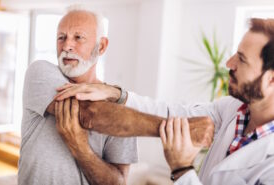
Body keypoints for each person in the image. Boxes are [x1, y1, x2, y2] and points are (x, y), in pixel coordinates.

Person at [54, 18, 274, 185]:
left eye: (242, 60)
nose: (229, 63)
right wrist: (115, 93)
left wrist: (182, 169)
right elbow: (169, 112)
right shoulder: (232, 110)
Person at [18, 7, 138, 185]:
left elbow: (118, 182)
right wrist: (149, 123)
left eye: (78, 37)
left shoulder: (122, 106)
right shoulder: (40, 72)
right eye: (61, 37)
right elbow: (88, 113)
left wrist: (81, 148)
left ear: (102, 46)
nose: (67, 46)